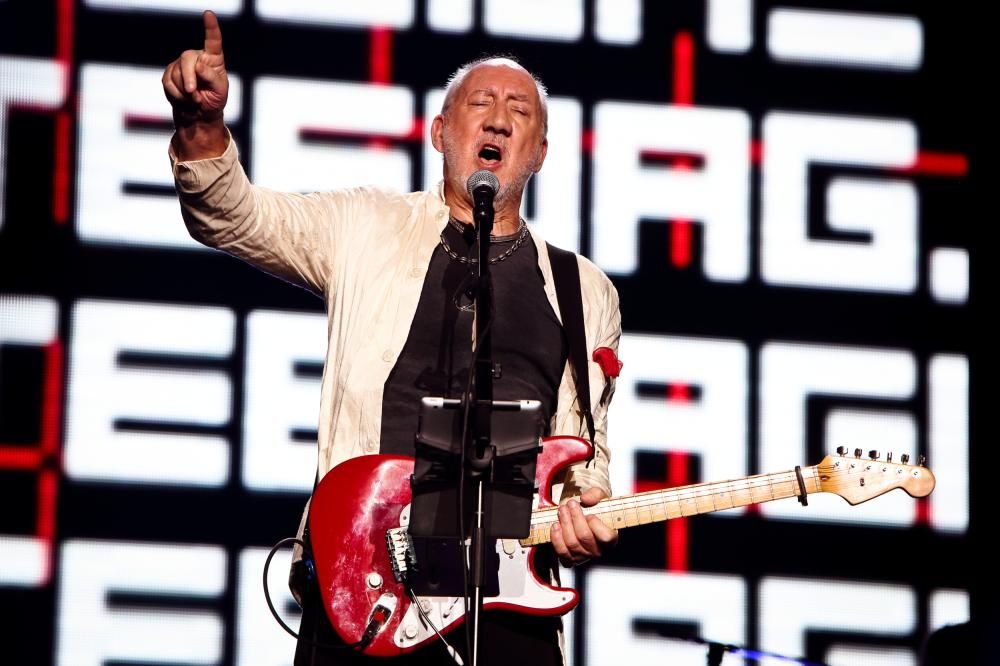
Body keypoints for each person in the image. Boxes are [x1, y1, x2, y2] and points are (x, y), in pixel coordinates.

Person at [163, 10, 621, 665]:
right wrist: (199, 125)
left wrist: (584, 515)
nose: (498, 120)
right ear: (440, 132)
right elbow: (234, 217)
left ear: (540, 152)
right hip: (365, 591)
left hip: (506, 611)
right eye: (480, 104)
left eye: (519, 111)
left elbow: (583, 458)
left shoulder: (585, 290)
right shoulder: (365, 226)